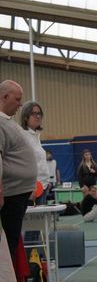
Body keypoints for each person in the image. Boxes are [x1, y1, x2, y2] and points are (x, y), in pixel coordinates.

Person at [0, 80, 37, 271]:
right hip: (10, 194)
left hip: (19, 192)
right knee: (10, 242)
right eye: (17, 99)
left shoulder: (7, 121)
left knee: (13, 241)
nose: (20, 104)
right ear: (5, 97)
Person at [20, 101, 50, 204]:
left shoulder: (36, 136)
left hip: (43, 186)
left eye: (39, 113)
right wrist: (28, 187)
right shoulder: (22, 136)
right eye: (34, 113)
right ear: (25, 117)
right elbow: (22, 164)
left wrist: (47, 181)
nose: (38, 116)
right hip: (31, 190)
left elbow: (39, 163)